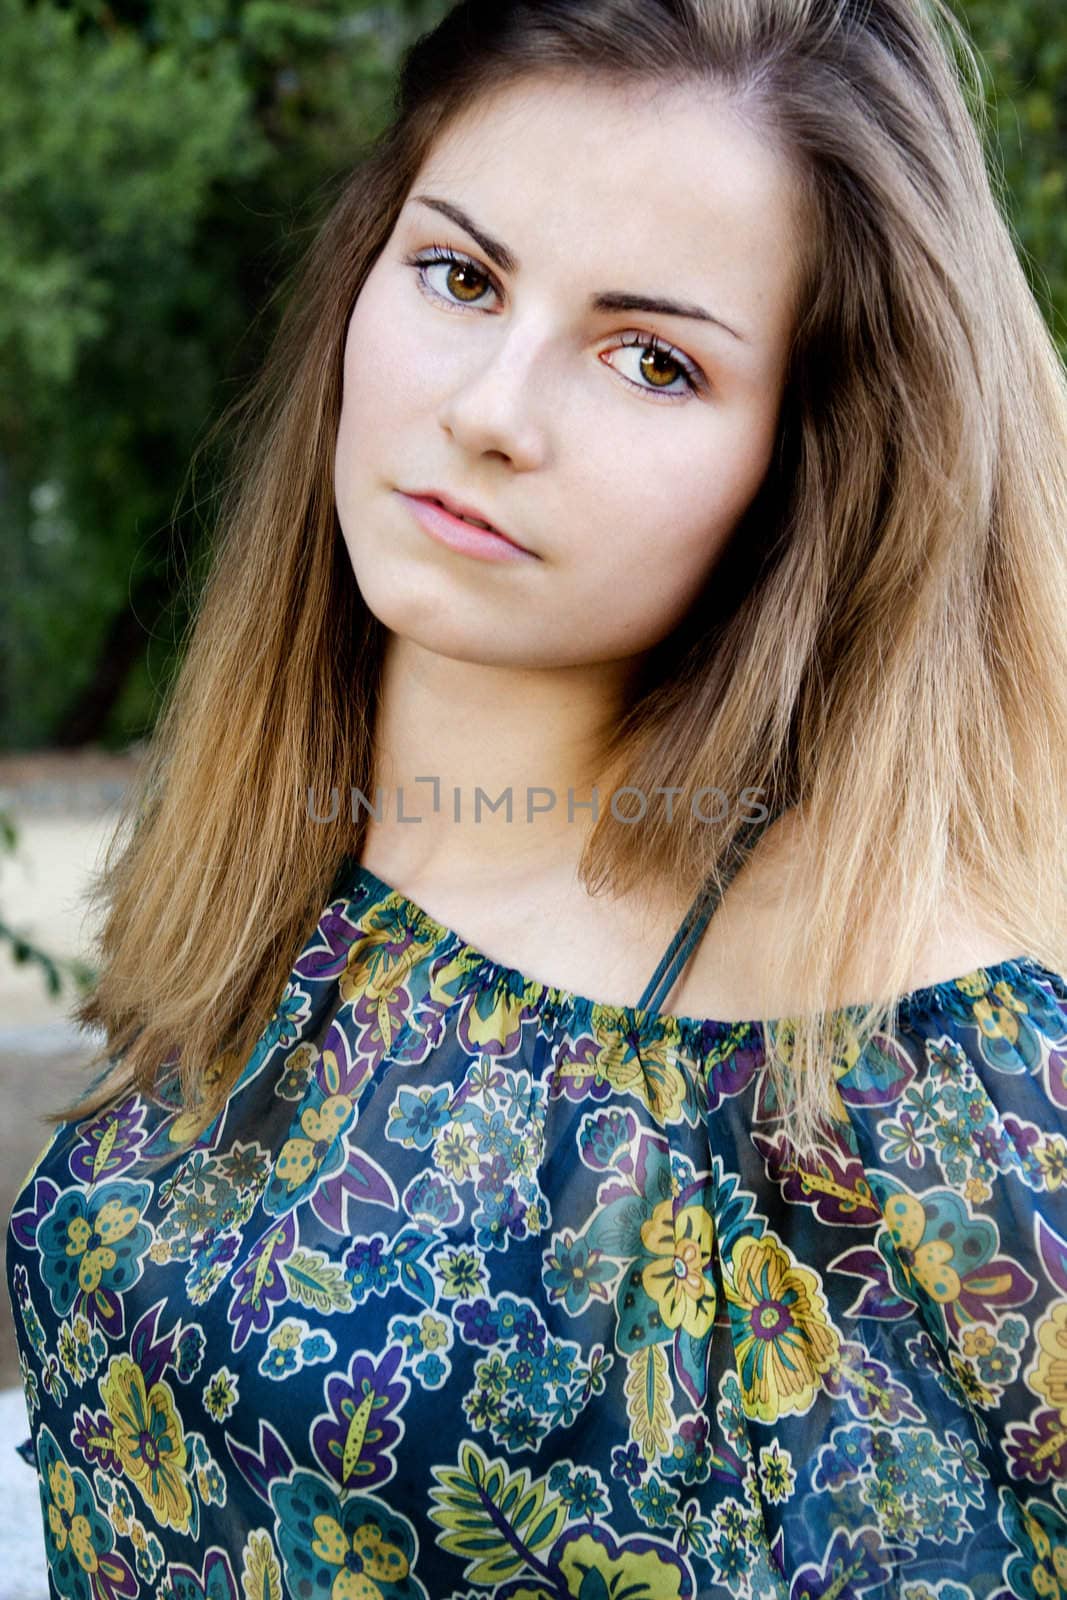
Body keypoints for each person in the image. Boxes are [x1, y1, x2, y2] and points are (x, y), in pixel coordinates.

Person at [6, 0, 1067, 1594]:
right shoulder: (280, 855)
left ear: (809, 453)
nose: (492, 410)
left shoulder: (906, 1045)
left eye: (653, 360)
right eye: (461, 276)